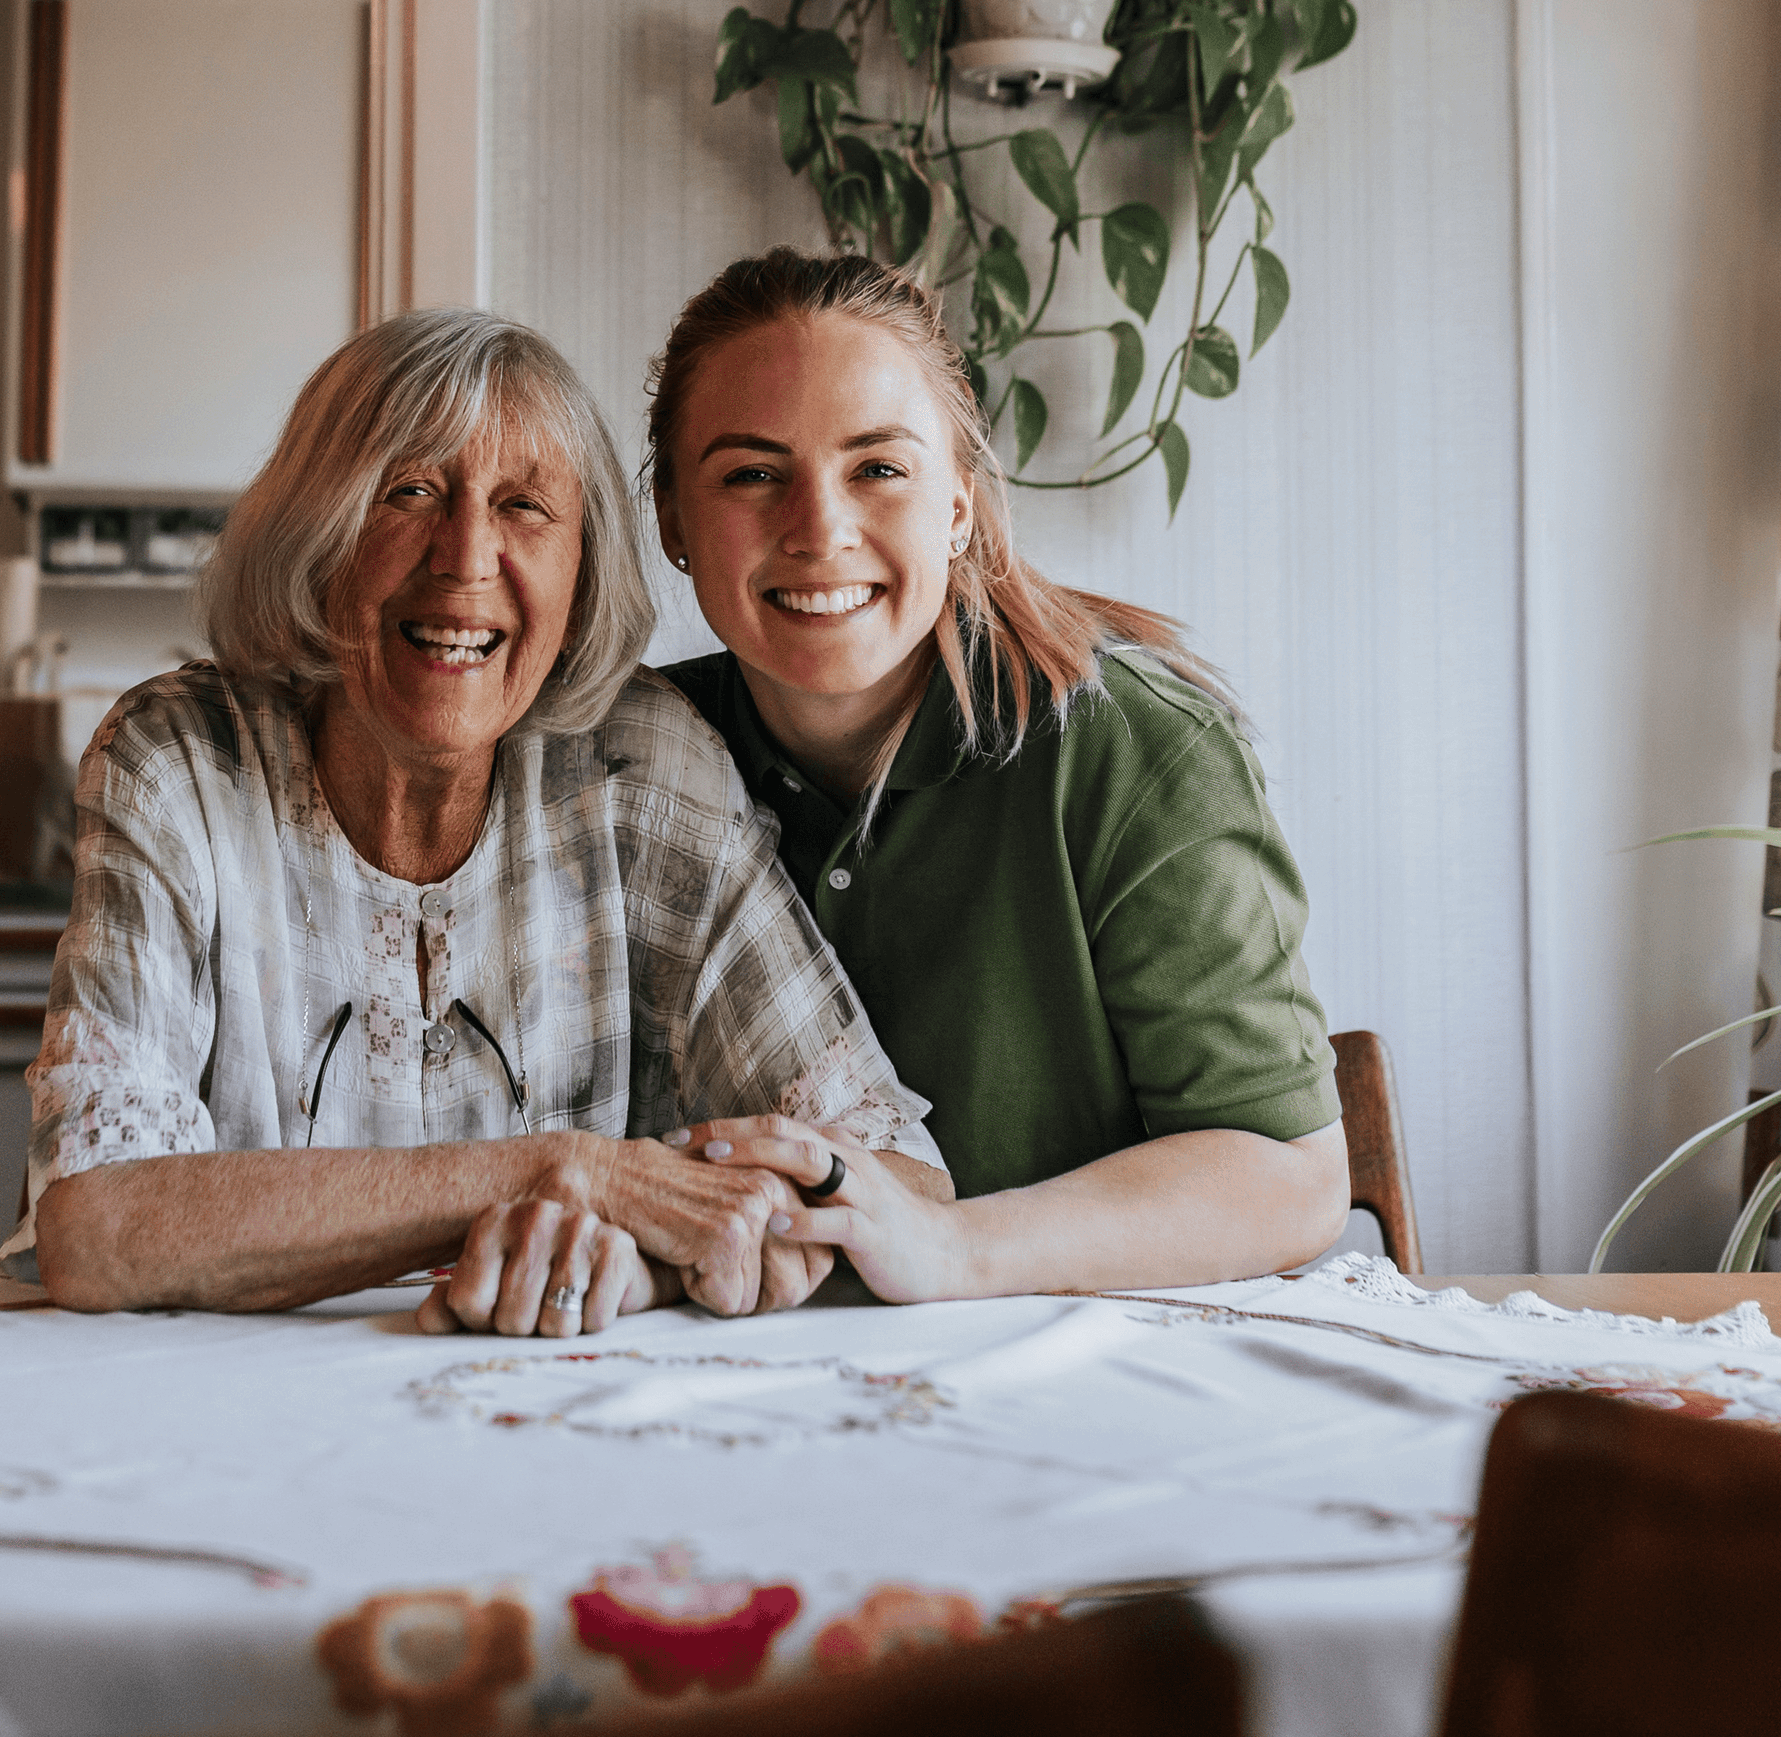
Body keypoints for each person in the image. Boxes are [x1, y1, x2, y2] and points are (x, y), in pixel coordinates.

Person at [434, 248, 1346, 1322]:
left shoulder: (1137, 752)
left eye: (878, 468)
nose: (819, 529)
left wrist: (954, 1243)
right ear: (672, 522)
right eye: (752, 474)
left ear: (959, 501)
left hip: (1079, 1381)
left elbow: (1292, 1174)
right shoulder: (625, 762)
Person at [12, 306, 946, 1334]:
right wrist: (559, 1170)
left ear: (580, 568)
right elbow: (95, 1228)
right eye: (408, 491)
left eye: (523, 506)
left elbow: (896, 1180)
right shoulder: (181, 758)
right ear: (315, 532)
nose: (464, 557)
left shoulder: (642, 770)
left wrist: (653, 1258)